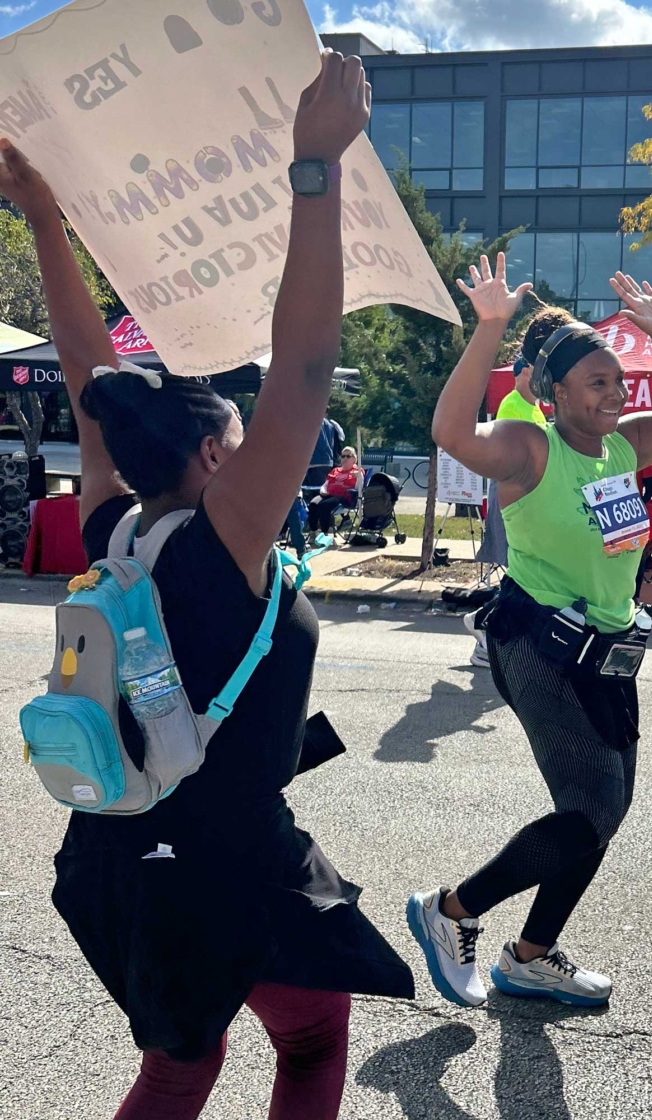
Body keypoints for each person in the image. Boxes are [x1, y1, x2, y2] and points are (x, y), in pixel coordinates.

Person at [0, 53, 413, 1120]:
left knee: (183, 1064)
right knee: (313, 1039)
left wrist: (46, 216)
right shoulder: (221, 539)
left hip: (116, 851)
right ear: (223, 458)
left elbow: (96, 380)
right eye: (239, 429)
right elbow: (305, 365)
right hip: (225, 858)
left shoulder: (115, 530)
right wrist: (311, 170)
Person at [407, 254, 652, 1008]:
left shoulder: (625, 446)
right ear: (555, 394)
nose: (616, 393)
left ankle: (530, 956)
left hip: (611, 654)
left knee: (602, 814)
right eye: (598, 383)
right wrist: (488, 330)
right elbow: (450, 430)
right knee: (589, 812)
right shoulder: (530, 450)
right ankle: (450, 911)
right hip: (539, 646)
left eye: (619, 380)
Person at [468, 353, 548, 668]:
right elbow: (515, 460)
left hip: (531, 501)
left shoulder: (535, 409)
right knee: (519, 573)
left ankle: (483, 621)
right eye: (538, 372)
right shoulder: (512, 405)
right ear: (525, 372)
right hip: (515, 501)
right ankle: (485, 632)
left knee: (526, 574)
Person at [284, 414, 346, 556]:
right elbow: (338, 440)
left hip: (311, 461)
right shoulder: (330, 424)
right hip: (327, 461)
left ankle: (315, 530)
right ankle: (323, 527)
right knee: (320, 495)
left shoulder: (307, 420)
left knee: (312, 497)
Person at [306, 446, 363, 536]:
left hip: (343, 496)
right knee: (313, 504)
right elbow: (326, 484)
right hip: (328, 494)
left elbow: (358, 488)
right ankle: (313, 531)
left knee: (324, 505)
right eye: (343, 456)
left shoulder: (357, 471)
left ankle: (325, 532)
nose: (344, 458)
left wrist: (359, 477)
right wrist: (323, 491)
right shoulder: (336, 470)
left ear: (354, 459)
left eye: (348, 456)